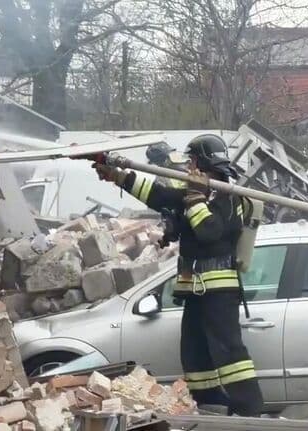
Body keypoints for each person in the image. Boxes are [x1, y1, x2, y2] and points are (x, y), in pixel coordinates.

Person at [85, 135, 264, 416]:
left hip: (219, 292)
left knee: (230, 355)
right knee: (193, 353)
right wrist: (119, 177)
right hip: (195, 290)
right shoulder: (198, 192)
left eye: (192, 160)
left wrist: (193, 198)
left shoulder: (229, 197)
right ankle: (209, 406)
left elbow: (209, 231)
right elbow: (159, 194)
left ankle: (251, 412)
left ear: (202, 163)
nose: (188, 166)